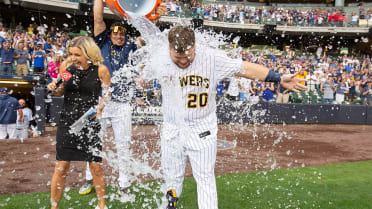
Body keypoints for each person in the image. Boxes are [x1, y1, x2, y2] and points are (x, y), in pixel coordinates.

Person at [141, 25, 306, 209]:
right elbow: (141, 80)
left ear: (194, 46)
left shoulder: (211, 57)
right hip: (172, 128)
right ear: (170, 49)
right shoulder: (160, 58)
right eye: (178, 58)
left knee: (205, 179)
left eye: (187, 56)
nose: (183, 62)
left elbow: (245, 68)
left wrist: (278, 78)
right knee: (171, 181)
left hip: (202, 128)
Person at [78, 0, 166, 196]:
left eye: (122, 33)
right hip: (101, 102)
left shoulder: (130, 47)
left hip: (122, 105)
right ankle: (88, 178)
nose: (119, 36)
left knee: (123, 144)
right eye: (116, 33)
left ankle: (123, 183)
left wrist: (155, 15)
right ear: (110, 34)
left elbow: (148, 33)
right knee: (93, 141)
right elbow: (98, 19)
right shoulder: (102, 43)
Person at [47, 36, 111, 209]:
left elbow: (107, 93)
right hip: (67, 123)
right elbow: (61, 90)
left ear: (88, 53)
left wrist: (100, 106)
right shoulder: (68, 69)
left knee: (96, 167)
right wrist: (56, 88)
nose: (73, 58)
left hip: (90, 123)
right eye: (71, 54)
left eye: (77, 54)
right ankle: (54, 207)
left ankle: (102, 205)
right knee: (61, 167)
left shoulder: (100, 70)